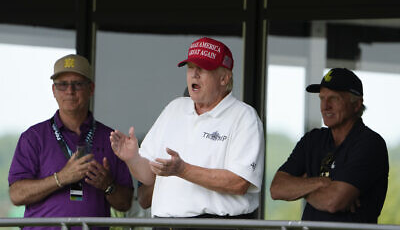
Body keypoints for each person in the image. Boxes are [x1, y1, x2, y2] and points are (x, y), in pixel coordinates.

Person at [110, 37, 264, 229]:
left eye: (204, 68)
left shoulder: (243, 116)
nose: (195, 74)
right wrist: (132, 158)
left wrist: (183, 170)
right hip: (165, 224)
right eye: (190, 67)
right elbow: (149, 176)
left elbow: (239, 182)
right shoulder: (175, 108)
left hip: (218, 225)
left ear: (224, 78)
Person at [8, 54, 133, 229]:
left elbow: (125, 203)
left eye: (78, 84)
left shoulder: (111, 138)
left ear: (91, 89)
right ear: (53, 90)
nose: (70, 91)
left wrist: (108, 185)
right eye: (62, 85)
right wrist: (61, 178)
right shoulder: (33, 137)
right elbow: (16, 195)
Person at [270, 68, 389, 223]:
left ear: (357, 104)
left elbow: (333, 202)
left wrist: (301, 187)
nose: (325, 106)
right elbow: (277, 188)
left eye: (334, 98)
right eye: (322, 98)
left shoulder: (370, 143)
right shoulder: (312, 140)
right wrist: (320, 182)